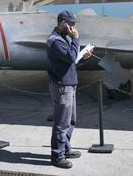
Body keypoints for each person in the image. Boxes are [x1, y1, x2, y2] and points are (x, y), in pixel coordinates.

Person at [46, 10, 91, 169]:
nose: (72, 27)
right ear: (62, 23)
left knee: (71, 120)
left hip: (69, 84)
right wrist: (76, 39)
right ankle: (57, 155)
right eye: (70, 24)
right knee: (61, 123)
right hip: (62, 86)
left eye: (73, 24)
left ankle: (65, 148)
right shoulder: (55, 40)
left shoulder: (64, 37)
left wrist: (84, 57)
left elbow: (71, 61)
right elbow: (71, 57)